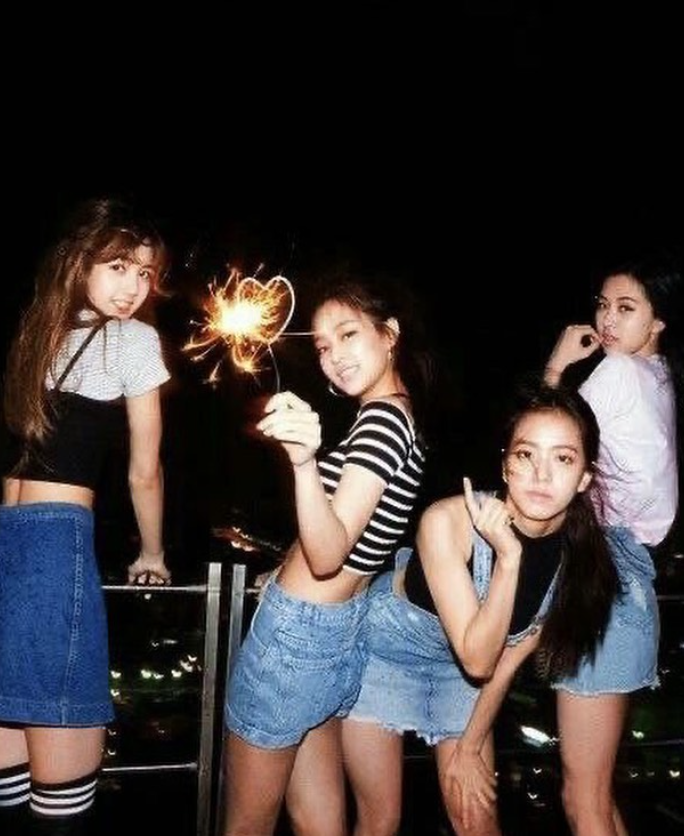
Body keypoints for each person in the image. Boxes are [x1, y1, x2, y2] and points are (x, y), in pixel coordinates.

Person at [342, 382, 620, 836]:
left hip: (466, 678)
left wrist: (470, 748)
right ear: (506, 465)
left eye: (563, 459)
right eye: (526, 455)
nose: (541, 475)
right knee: (380, 820)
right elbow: (477, 657)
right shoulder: (447, 521)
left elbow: (501, 662)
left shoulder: (578, 560)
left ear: (585, 477)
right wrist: (507, 559)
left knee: (476, 821)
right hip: (383, 658)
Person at [222, 271, 434, 836]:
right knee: (321, 825)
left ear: (390, 333)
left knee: (245, 825)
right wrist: (282, 565)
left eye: (348, 334)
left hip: (297, 637)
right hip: (338, 633)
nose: (333, 356)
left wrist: (303, 462)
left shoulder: (382, 420)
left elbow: (327, 554)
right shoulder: (399, 416)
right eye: (320, 346)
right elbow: (351, 535)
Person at [0, 197, 172, 835]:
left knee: (8, 784)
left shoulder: (36, 337)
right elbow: (144, 470)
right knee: (63, 802)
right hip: (53, 549)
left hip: (6, 543)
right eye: (118, 266)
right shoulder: (134, 339)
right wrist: (152, 553)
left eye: (145, 273)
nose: (134, 287)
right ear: (81, 262)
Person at [543, 251, 683, 836]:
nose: (606, 319)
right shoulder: (660, 375)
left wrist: (557, 365)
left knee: (584, 801)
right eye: (603, 304)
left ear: (658, 321)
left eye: (626, 308)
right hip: (633, 579)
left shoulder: (620, 372)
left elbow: (542, 439)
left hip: (605, 577)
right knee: (597, 799)